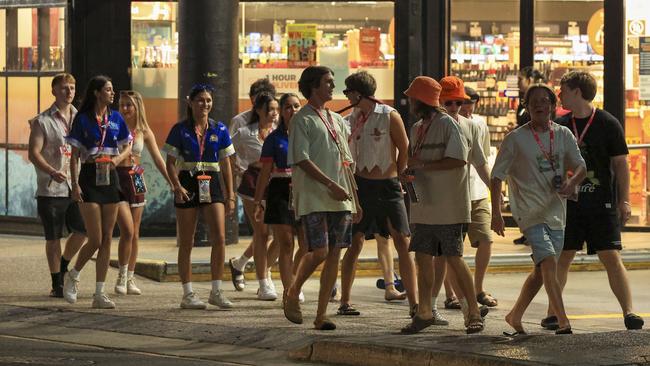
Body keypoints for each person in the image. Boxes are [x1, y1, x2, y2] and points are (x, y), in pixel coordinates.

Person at [544, 71, 644, 330]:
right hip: (569, 204)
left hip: (601, 202)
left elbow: (620, 164)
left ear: (577, 91)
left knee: (611, 255)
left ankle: (629, 312)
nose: (560, 95)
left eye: (563, 90)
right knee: (562, 257)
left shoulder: (607, 123)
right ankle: (552, 312)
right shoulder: (560, 124)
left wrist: (625, 200)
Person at [491, 83, 586, 336]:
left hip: (556, 211)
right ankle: (562, 319)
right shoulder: (516, 139)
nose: (539, 106)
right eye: (534, 102)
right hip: (529, 212)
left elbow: (581, 167)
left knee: (541, 269)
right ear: (526, 107)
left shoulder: (563, 135)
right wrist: (497, 213)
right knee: (547, 261)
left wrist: (571, 182)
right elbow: (496, 175)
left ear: (553, 106)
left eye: (545, 101)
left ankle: (515, 315)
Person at [400, 76, 484, 335]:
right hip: (424, 206)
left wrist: (422, 165)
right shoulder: (417, 128)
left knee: (454, 259)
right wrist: (407, 172)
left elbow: (458, 160)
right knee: (423, 259)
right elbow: (414, 160)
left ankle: (473, 313)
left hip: (449, 206)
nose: (410, 102)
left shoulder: (448, 125)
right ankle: (424, 311)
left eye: (413, 98)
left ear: (423, 99)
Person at [283, 66, 361, 330]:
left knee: (335, 255)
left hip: (342, 196)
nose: (332, 85)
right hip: (316, 197)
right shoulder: (302, 119)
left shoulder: (337, 119)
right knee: (319, 251)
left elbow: (346, 162)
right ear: (314, 86)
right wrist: (330, 184)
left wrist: (355, 199)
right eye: (328, 82)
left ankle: (320, 315)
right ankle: (293, 291)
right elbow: (301, 159)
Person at [338, 71, 417, 316]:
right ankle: (345, 301)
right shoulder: (353, 117)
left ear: (357, 93)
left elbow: (404, 146)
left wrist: (401, 171)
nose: (346, 96)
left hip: (388, 185)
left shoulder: (389, 115)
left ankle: (415, 303)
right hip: (362, 185)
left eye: (347, 91)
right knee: (355, 242)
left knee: (402, 240)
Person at [163, 83, 236, 310]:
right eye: (200, 100)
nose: (205, 104)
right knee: (187, 241)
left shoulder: (219, 129)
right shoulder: (180, 129)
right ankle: (188, 294)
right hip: (188, 182)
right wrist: (176, 186)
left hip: (212, 182)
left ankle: (216, 291)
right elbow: (170, 163)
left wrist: (230, 194)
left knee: (220, 238)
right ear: (190, 102)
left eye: (208, 100)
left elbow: (226, 164)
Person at [63, 75, 132, 309]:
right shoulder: (82, 120)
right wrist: (75, 185)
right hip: (89, 178)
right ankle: (72, 275)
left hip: (110, 177)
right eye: (109, 90)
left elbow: (128, 144)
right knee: (94, 238)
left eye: (112, 90)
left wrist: (118, 159)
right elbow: (73, 157)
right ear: (96, 92)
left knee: (106, 239)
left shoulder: (116, 119)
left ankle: (99, 293)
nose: (113, 94)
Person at [428, 76, 491, 328]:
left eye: (458, 103)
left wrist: (495, 195)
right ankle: (438, 306)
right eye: (448, 103)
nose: (454, 108)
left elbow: (480, 161)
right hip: (435, 202)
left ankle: (466, 308)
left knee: (451, 254)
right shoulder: (427, 126)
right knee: (440, 256)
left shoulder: (471, 126)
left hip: (461, 200)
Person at [28, 73, 86, 298]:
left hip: (77, 186)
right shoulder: (42, 121)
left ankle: (63, 265)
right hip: (51, 188)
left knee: (83, 231)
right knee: (53, 237)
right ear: (54, 91)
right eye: (63, 88)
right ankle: (57, 283)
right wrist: (52, 170)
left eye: (72, 87)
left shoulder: (81, 119)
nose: (69, 91)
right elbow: (33, 153)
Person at [114, 90, 173, 295]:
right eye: (122, 105)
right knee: (126, 231)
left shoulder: (144, 131)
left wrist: (172, 182)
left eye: (129, 105)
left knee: (136, 233)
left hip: (136, 176)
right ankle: (121, 275)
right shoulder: (113, 126)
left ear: (138, 107)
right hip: (118, 176)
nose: (125, 108)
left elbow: (158, 159)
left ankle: (130, 277)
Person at [253, 92, 307, 303]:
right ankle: (289, 290)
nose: (292, 110)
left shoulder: (308, 134)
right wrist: (259, 201)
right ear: (282, 112)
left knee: (306, 244)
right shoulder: (274, 139)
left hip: (304, 190)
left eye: (296, 106)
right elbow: (265, 172)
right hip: (280, 190)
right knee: (285, 242)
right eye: (288, 107)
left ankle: (295, 280)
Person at [228, 78, 279, 292]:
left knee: (276, 233)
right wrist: (238, 172)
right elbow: (229, 151)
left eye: (275, 107)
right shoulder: (241, 124)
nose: (273, 112)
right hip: (250, 182)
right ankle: (263, 279)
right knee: (262, 231)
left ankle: (240, 264)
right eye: (268, 107)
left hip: (276, 182)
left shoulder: (279, 127)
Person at [459, 86, 498, 308]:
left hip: (478, 190)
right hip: (455, 192)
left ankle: (478, 288)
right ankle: (453, 294)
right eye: (460, 103)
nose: (464, 108)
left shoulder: (480, 124)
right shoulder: (446, 123)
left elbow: (483, 157)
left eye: (469, 103)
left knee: (486, 238)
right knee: (452, 248)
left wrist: (493, 186)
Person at [513, 67, 547, 246]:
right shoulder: (523, 103)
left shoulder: (541, 105)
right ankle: (527, 231)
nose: (518, 83)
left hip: (535, 153)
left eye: (521, 79)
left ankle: (534, 231)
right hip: (522, 151)